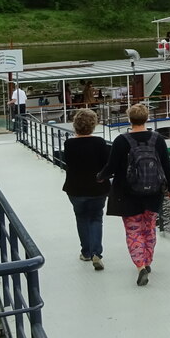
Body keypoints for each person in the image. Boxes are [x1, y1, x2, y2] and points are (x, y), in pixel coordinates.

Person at [97, 104, 170, 287]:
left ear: (129, 119)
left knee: (133, 231)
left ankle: (140, 266)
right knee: (149, 228)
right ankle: (148, 261)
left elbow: (111, 167)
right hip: (154, 193)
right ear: (146, 118)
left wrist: (100, 177)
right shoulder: (157, 139)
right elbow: (167, 165)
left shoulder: (121, 141)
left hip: (127, 194)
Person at [63, 109, 111, 271]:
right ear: (93, 125)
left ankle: (86, 252)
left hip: (75, 188)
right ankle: (97, 253)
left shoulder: (68, 144)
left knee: (81, 218)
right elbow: (107, 164)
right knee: (96, 218)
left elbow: (67, 163)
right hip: (98, 187)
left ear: (75, 125)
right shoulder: (100, 142)